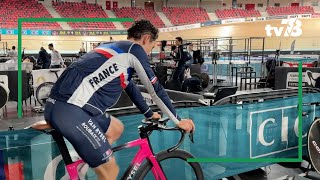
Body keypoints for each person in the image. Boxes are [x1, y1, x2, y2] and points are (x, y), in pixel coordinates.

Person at [44, 19, 195, 180]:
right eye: (151, 47)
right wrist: (178, 120)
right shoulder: (134, 50)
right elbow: (155, 90)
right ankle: (89, 161)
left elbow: (130, 86)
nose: (149, 53)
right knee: (110, 171)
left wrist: (149, 114)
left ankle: (79, 168)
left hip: (62, 106)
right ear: (145, 38)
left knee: (115, 128)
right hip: (71, 110)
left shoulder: (117, 49)